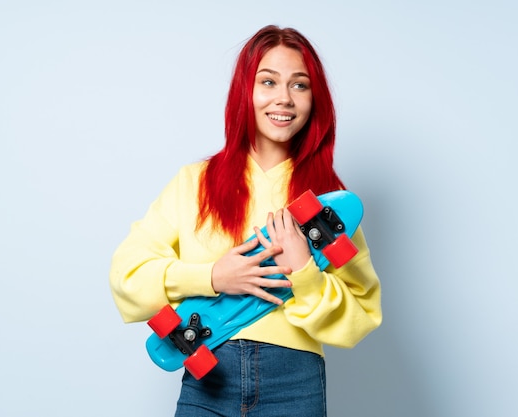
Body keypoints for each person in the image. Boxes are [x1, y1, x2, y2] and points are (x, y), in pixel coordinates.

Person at [109, 25, 382, 417]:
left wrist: (304, 271)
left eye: (300, 85)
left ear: (314, 99)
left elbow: (362, 314)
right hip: (208, 380)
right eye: (268, 81)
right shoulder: (195, 183)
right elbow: (126, 274)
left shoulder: (328, 206)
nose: (284, 99)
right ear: (245, 92)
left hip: (295, 384)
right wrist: (212, 278)